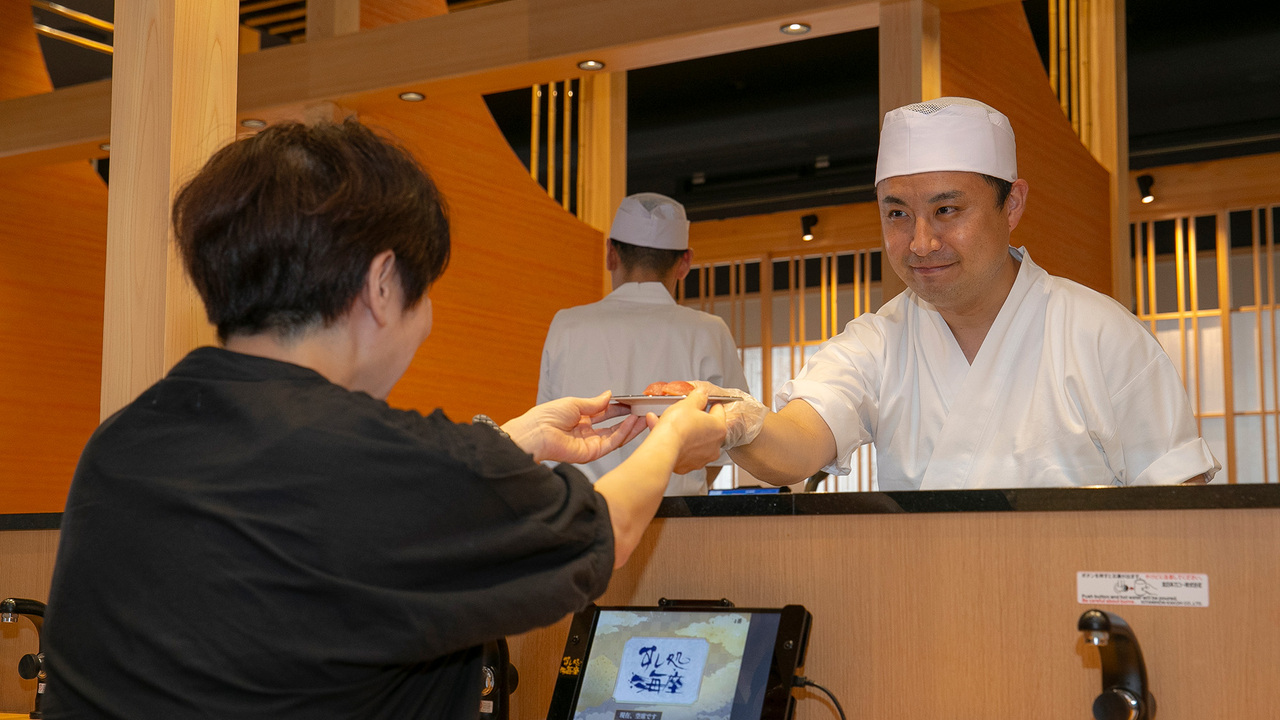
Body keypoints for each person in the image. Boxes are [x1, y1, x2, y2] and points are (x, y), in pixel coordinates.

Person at [41, 120, 725, 719]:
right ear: (381, 283)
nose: (424, 322)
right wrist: (672, 435)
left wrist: (508, 443)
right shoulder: (377, 460)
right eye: (424, 292)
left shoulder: (124, 441)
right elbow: (605, 531)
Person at [696, 97, 1219, 490]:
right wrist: (733, 424)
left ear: (1011, 206)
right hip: (931, 612)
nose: (921, 242)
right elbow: (796, 446)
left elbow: (1180, 508)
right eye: (897, 213)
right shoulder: (880, 342)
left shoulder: (1101, 334)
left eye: (948, 210)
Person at [538, 193, 751, 496]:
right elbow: (731, 438)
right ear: (685, 262)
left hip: (577, 519)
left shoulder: (566, 325)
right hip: (677, 521)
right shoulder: (709, 332)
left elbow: (545, 433)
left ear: (611, 253)